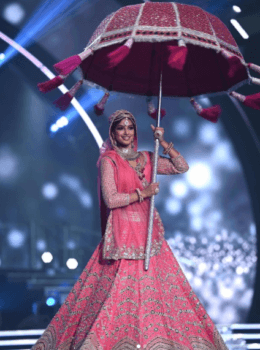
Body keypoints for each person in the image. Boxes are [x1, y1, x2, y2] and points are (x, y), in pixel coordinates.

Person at [32, 110, 228, 350]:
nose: (126, 132)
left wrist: (163, 143)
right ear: (113, 133)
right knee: (115, 300)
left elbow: (181, 167)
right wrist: (142, 193)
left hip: (149, 239)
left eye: (130, 127)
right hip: (121, 238)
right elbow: (111, 199)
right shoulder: (109, 161)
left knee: (160, 298)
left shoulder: (148, 157)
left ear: (135, 131)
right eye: (121, 128)